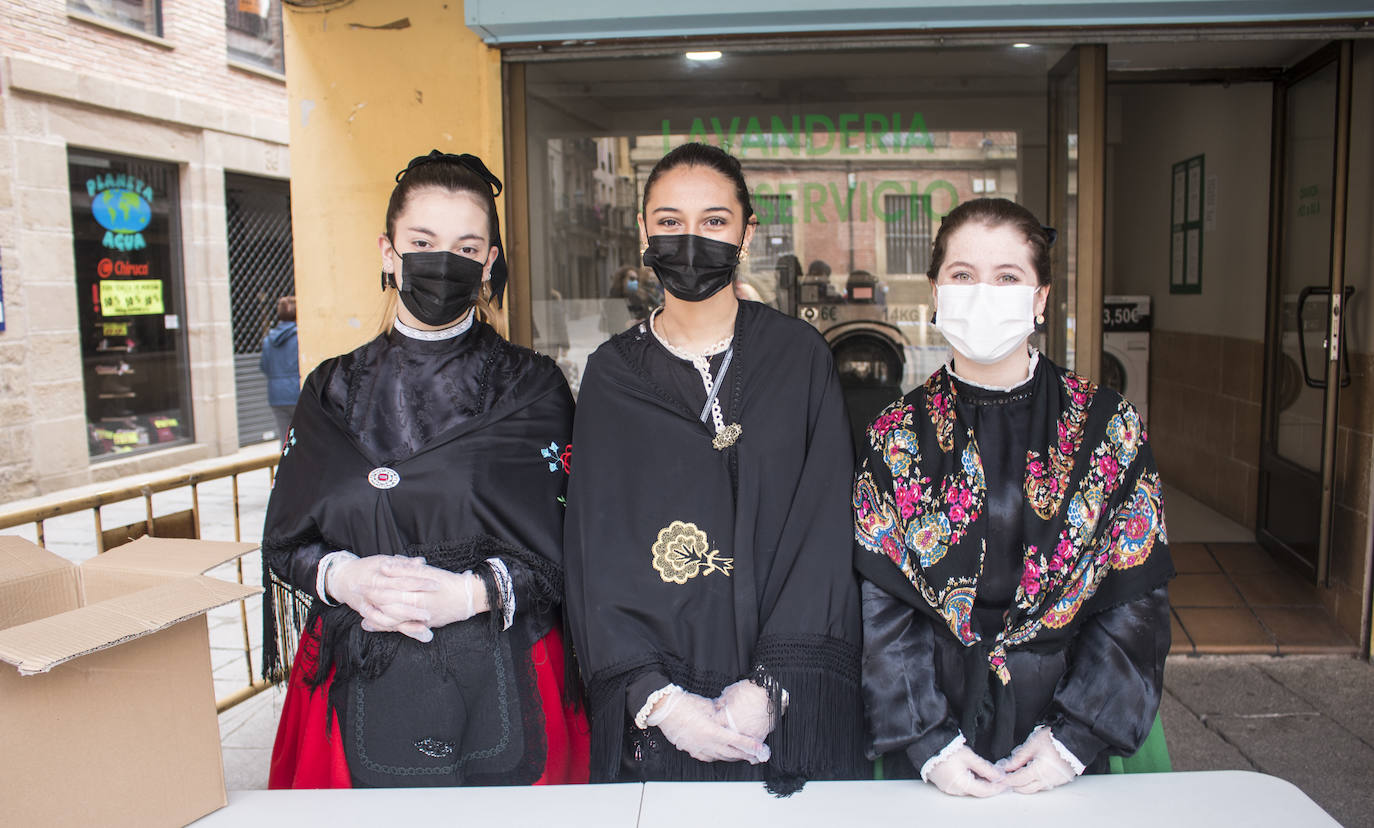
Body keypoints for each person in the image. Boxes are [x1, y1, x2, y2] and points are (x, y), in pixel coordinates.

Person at [260, 150, 588, 789]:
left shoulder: (533, 387)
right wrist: (345, 577)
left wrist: (471, 593)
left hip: (510, 676)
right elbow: (287, 542)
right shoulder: (330, 388)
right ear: (389, 251)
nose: (445, 261)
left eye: (467, 247)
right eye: (423, 241)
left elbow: (569, 547)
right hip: (351, 681)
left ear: (489, 261)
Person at [564, 142, 866, 796]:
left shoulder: (798, 358)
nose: (690, 238)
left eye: (714, 221)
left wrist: (771, 687)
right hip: (663, 717)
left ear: (747, 233)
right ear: (643, 231)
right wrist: (661, 701)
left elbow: (824, 533)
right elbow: (595, 545)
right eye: (669, 221)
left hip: (787, 702)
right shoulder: (614, 374)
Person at [853, 197, 1174, 797]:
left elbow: (1136, 599)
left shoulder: (1107, 426)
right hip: (928, 722)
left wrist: (1075, 740)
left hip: (1081, 720)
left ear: (1041, 298)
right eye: (962, 275)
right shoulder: (894, 434)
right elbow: (882, 606)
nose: (983, 293)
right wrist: (928, 742)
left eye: (1007, 277)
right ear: (935, 292)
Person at [259, 295, 300, 442]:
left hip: (277, 396)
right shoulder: (300, 337)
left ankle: (287, 464)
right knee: (304, 438)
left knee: (286, 440)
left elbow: (264, 366)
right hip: (297, 392)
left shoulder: (269, 340)